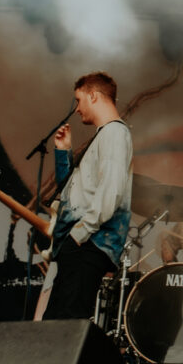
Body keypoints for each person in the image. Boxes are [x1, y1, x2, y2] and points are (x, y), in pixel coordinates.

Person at [44, 71, 133, 320]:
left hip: (88, 243)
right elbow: (72, 193)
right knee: (57, 323)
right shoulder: (104, 136)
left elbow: (111, 192)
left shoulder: (115, 133)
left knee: (65, 325)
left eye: (79, 100)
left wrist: (79, 235)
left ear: (93, 96)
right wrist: (64, 153)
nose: (76, 108)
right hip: (81, 243)